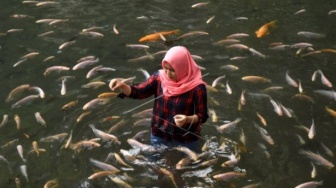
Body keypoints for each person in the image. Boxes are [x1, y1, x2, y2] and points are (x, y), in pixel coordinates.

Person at [109, 46, 208, 152]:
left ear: (182, 68)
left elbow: (202, 115)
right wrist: (122, 85)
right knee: (154, 162)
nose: (168, 73)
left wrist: (187, 119)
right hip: (159, 133)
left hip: (186, 137)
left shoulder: (197, 88)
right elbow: (139, 92)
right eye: (166, 68)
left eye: (172, 70)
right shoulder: (159, 78)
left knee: (189, 165)